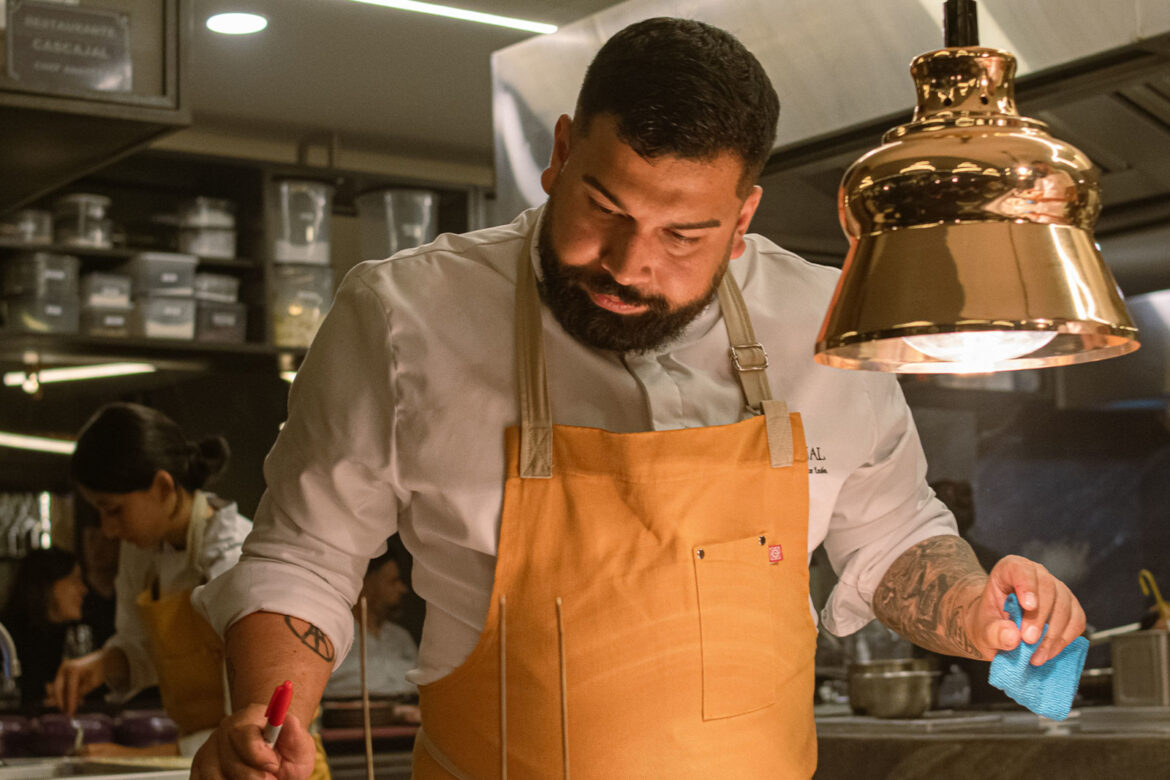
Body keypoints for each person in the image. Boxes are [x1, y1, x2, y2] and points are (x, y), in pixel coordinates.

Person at [192, 18, 1086, 778]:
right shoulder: (402, 317)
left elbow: (893, 538)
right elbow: (306, 556)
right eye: (605, 208)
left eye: (684, 233)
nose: (629, 265)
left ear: (743, 221)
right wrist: (273, 719)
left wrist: (976, 611)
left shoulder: (823, 322)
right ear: (560, 154)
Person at [49, 403, 253, 759]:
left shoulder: (236, 560)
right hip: (199, 758)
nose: (109, 529)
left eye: (113, 510)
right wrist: (104, 663)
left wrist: (136, 755)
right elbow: (140, 646)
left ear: (162, 487)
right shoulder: (141, 552)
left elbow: (253, 724)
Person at [322, 545, 421, 723]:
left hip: (407, 727)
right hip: (350, 728)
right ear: (366, 583)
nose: (402, 589)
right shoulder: (334, 634)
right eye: (393, 581)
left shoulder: (401, 637)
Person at [0, 547, 88, 708]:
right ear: (49, 586)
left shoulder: (78, 635)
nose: (83, 589)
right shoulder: (7, 638)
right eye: (75, 580)